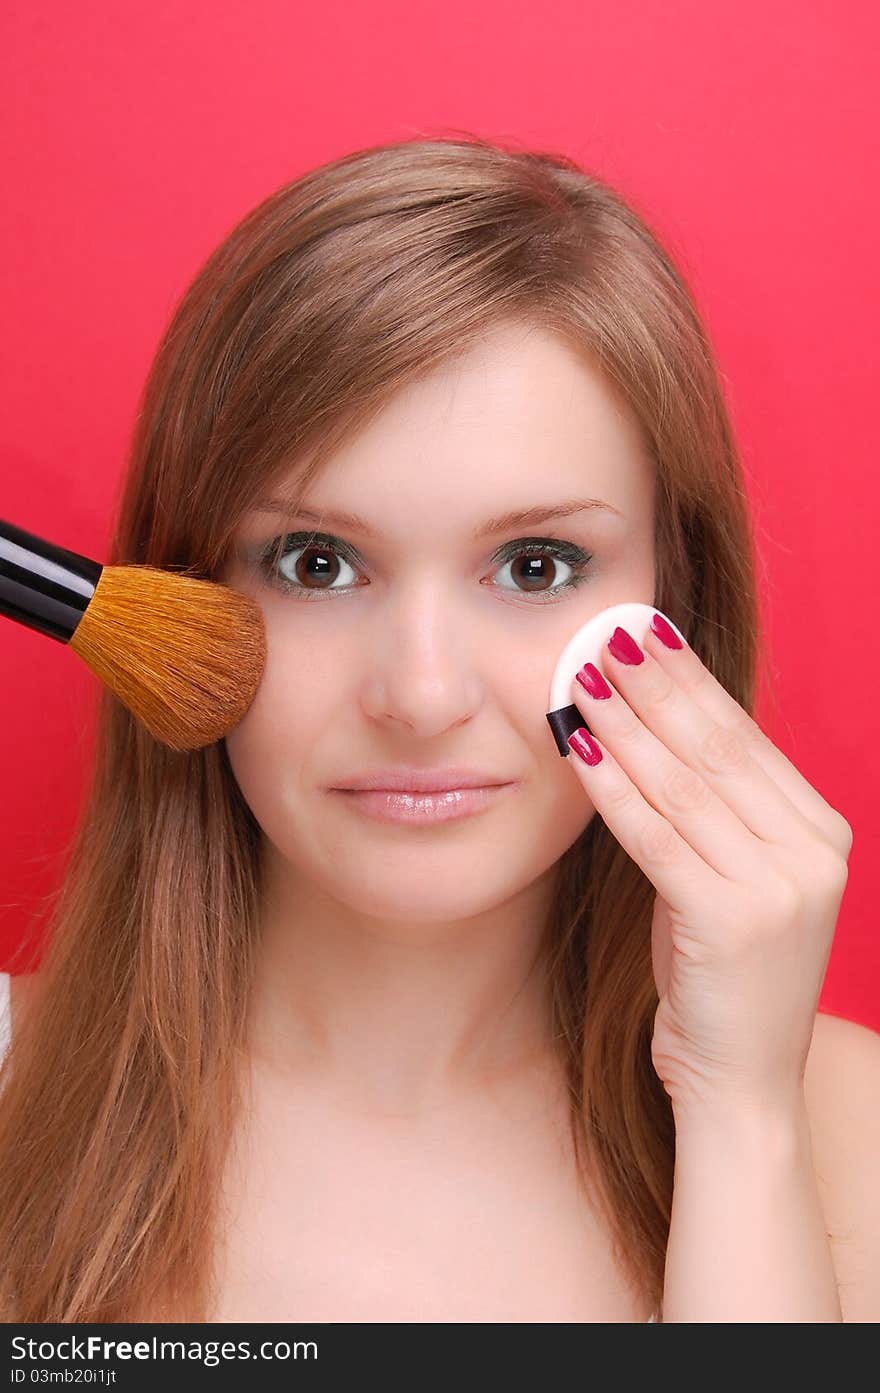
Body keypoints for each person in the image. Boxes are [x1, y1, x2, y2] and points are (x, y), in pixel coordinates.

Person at [0, 134, 877, 1324]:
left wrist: (740, 1115)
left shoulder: (845, 1134)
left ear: (679, 600)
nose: (418, 697)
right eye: (316, 563)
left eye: (533, 564)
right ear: (184, 594)